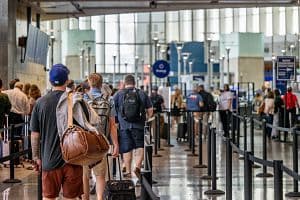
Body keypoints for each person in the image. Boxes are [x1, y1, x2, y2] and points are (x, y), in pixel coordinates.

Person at [31, 64, 84, 200]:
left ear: (50, 81)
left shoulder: (40, 103)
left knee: (49, 197)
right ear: (67, 81)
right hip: (73, 159)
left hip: (49, 160)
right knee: (71, 198)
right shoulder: (75, 101)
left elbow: (35, 135)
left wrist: (36, 157)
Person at [82, 73, 119, 200]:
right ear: (101, 83)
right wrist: (116, 145)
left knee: (84, 176)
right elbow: (113, 125)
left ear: (89, 82)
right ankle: (99, 198)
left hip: (84, 143)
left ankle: (85, 198)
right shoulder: (109, 100)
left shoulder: (82, 98)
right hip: (101, 142)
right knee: (100, 175)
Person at [114, 75, 153, 179]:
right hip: (139, 125)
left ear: (125, 82)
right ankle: (137, 167)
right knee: (140, 146)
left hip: (124, 126)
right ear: (134, 82)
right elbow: (150, 110)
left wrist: (117, 123)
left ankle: (127, 170)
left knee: (127, 149)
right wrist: (147, 119)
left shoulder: (118, 94)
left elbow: (113, 111)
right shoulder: (142, 93)